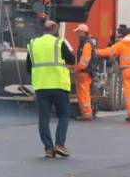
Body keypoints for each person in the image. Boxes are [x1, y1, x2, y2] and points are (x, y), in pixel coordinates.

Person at [26, 20, 75, 158]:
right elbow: (71, 60)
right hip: (59, 85)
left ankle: (48, 149)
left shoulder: (33, 43)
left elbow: (29, 67)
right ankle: (59, 144)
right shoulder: (59, 42)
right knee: (64, 115)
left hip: (41, 86)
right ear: (55, 29)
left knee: (44, 118)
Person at [97, 26, 130, 122]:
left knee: (129, 94)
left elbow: (109, 52)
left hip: (128, 71)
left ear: (124, 35)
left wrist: (97, 51)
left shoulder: (122, 44)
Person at [73, 23, 97, 121]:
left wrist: (77, 68)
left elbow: (85, 60)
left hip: (84, 71)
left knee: (83, 93)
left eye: (78, 32)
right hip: (84, 71)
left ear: (82, 32)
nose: (77, 34)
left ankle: (86, 112)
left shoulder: (86, 43)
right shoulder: (85, 42)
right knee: (82, 93)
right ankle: (85, 111)